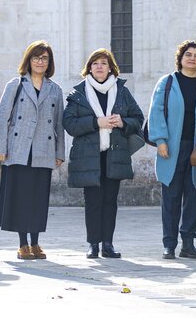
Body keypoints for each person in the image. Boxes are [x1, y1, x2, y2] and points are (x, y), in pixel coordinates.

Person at [63, 48, 144, 259]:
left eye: (104, 63)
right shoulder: (78, 93)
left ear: (110, 68)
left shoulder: (121, 91)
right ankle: (93, 244)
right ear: (89, 67)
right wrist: (95, 122)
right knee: (92, 201)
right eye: (95, 63)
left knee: (110, 201)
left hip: (114, 155)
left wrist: (122, 122)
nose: (99, 67)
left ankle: (108, 243)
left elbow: (138, 118)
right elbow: (69, 123)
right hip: (89, 156)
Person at [0, 40, 65, 260]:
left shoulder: (55, 89)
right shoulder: (15, 85)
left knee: (38, 198)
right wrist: (0, 149)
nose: (40, 62)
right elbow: (1, 118)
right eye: (36, 57)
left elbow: (59, 123)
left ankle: (36, 242)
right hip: (18, 149)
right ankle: (23, 244)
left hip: (44, 149)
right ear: (28, 60)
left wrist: (60, 152)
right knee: (20, 198)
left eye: (44, 58)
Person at [148, 41, 196, 259]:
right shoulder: (167, 82)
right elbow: (156, 111)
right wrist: (160, 141)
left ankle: (188, 242)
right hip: (172, 148)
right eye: (188, 54)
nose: (192, 58)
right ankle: (169, 244)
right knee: (171, 196)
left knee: (195, 195)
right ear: (181, 58)